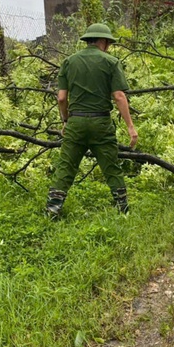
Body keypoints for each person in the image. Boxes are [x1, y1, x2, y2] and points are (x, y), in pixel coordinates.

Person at [46, 23, 138, 218]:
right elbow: (119, 96)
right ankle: (123, 209)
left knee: (66, 165)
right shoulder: (111, 62)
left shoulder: (69, 62)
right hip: (101, 122)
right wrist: (130, 127)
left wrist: (65, 121)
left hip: (76, 123)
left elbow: (61, 98)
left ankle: (53, 209)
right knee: (110, 164)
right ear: (103, 41)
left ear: (88, 40)